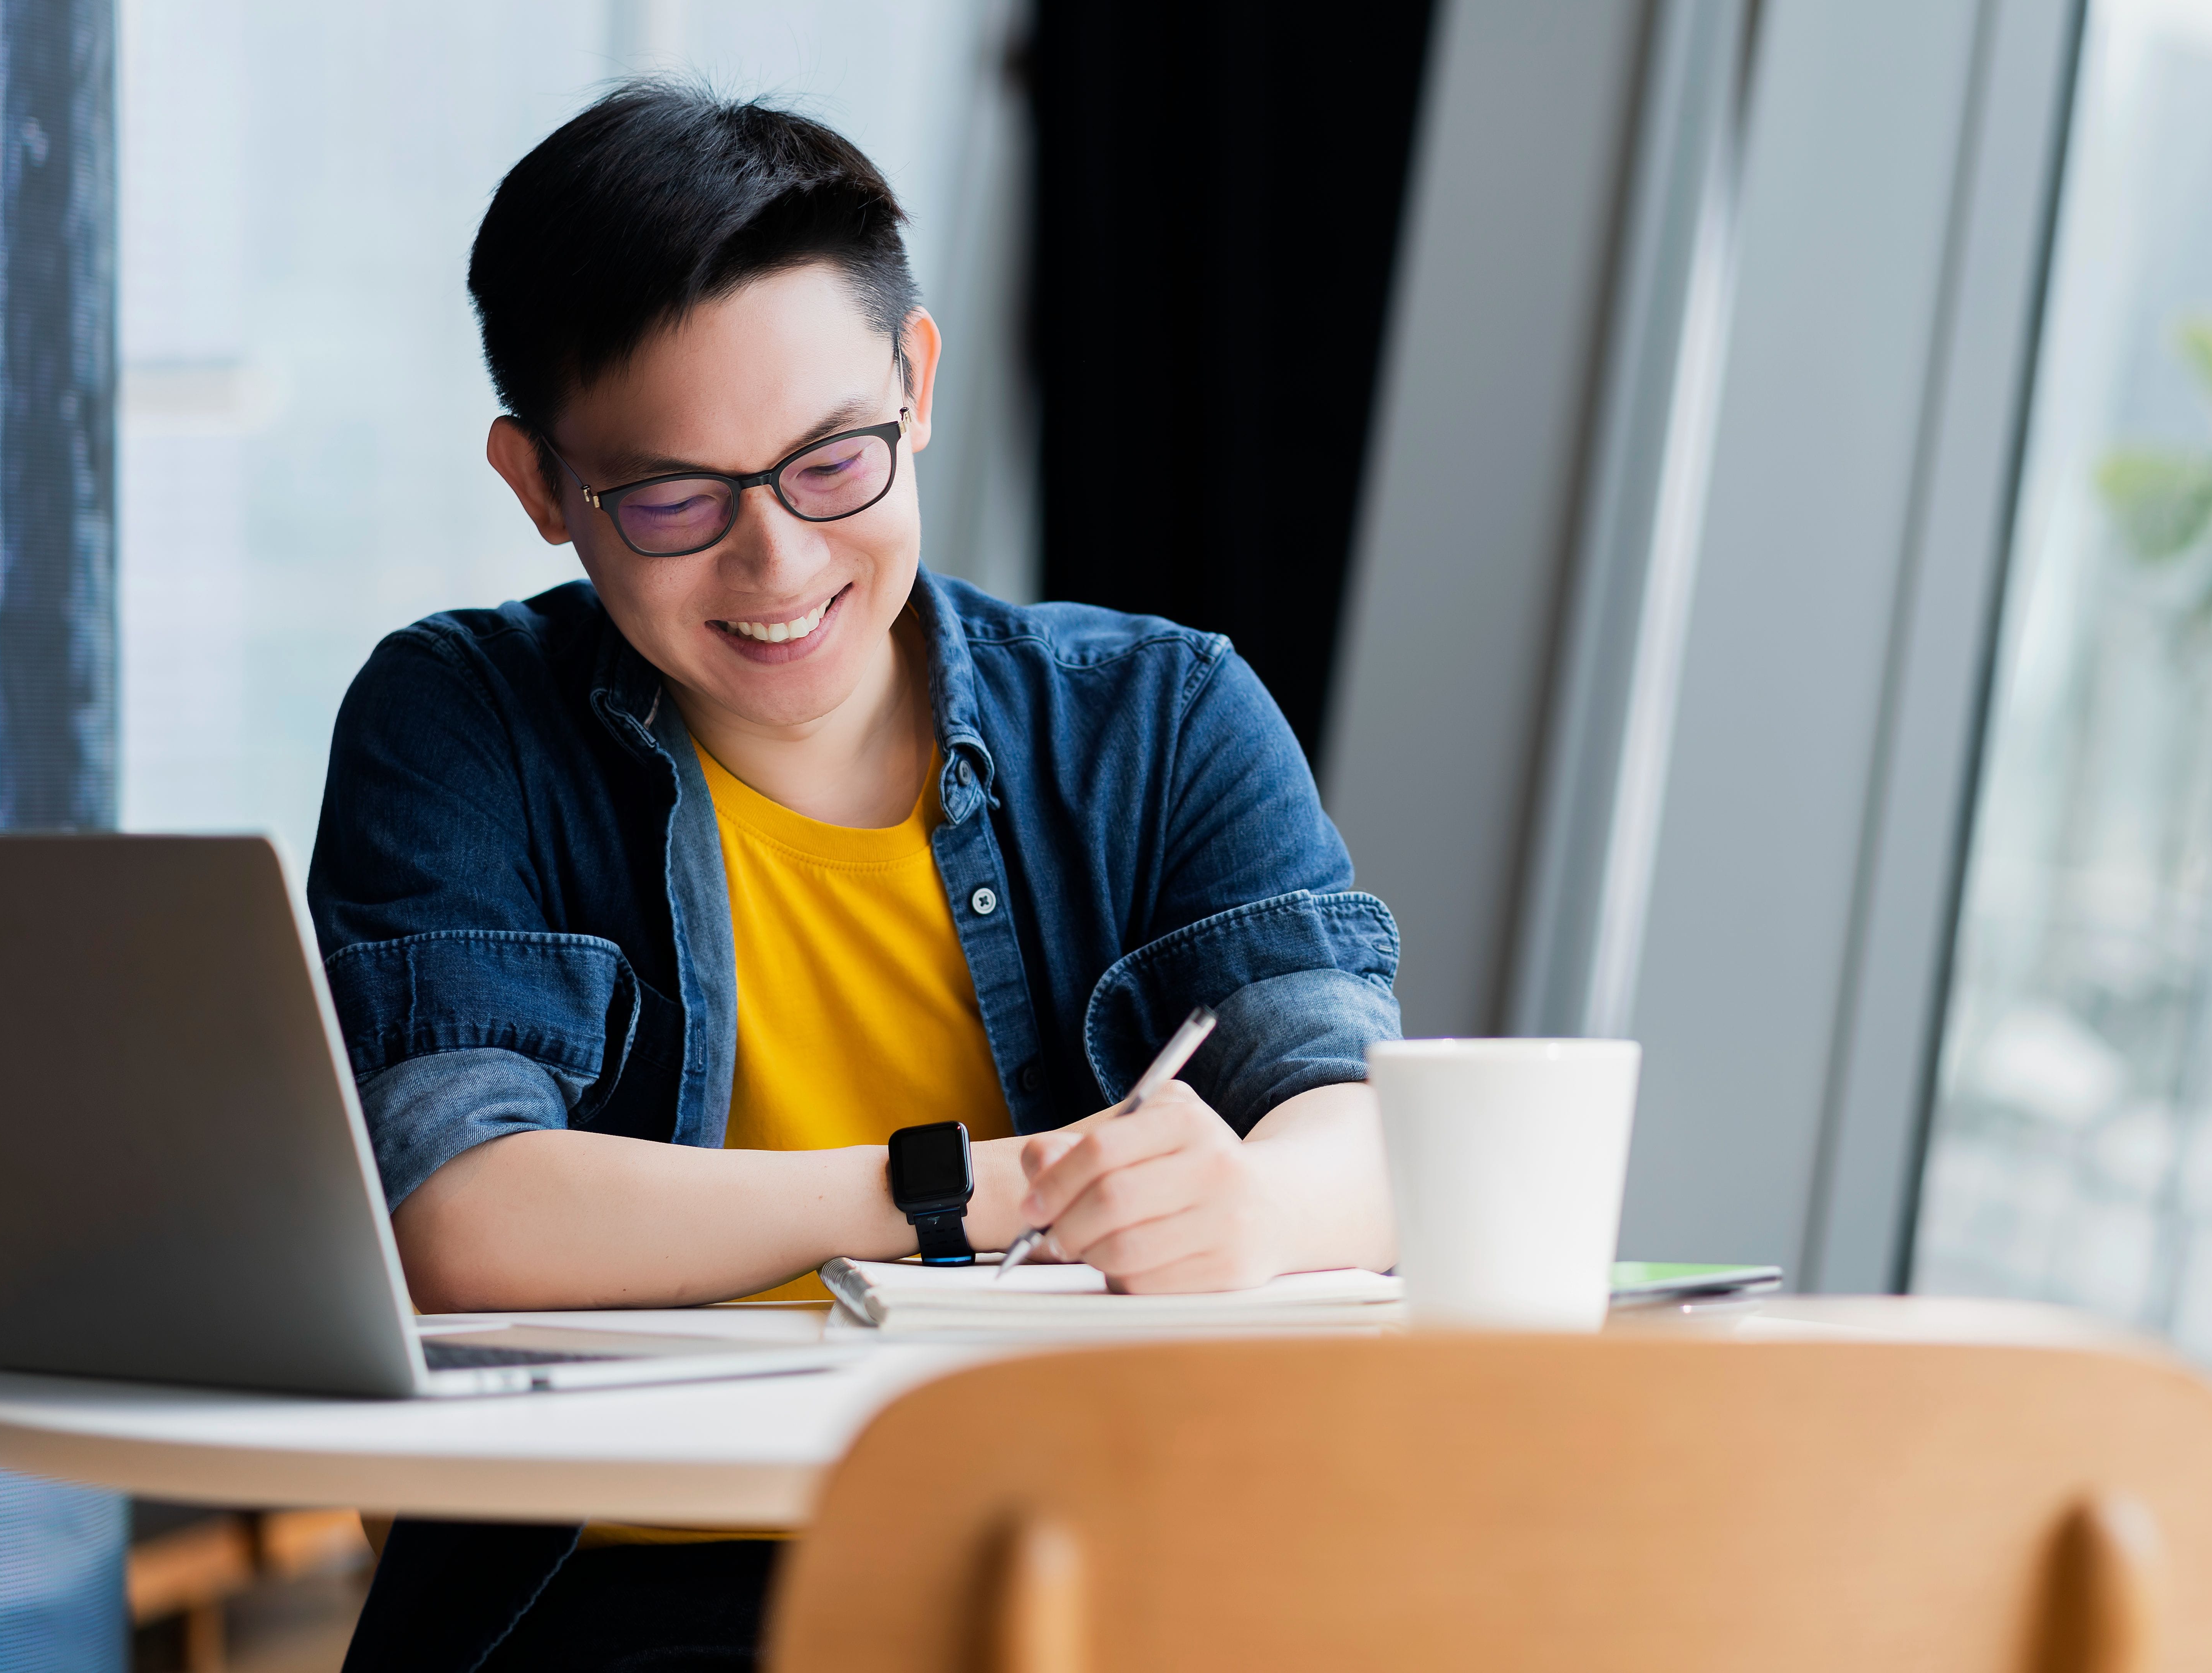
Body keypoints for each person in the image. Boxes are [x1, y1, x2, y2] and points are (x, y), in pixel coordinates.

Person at [312, 83, 1402, 1672]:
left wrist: (1241, 1208)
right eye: (676, 499)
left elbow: (1359, 1124)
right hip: (618, 1597)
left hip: (1091, 1568)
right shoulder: (460, 725)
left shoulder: (1158, 717)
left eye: (833, 463)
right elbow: (464, 1214)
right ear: (542, 487)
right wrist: (970, 1187)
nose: (779, 565)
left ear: (918, 383)